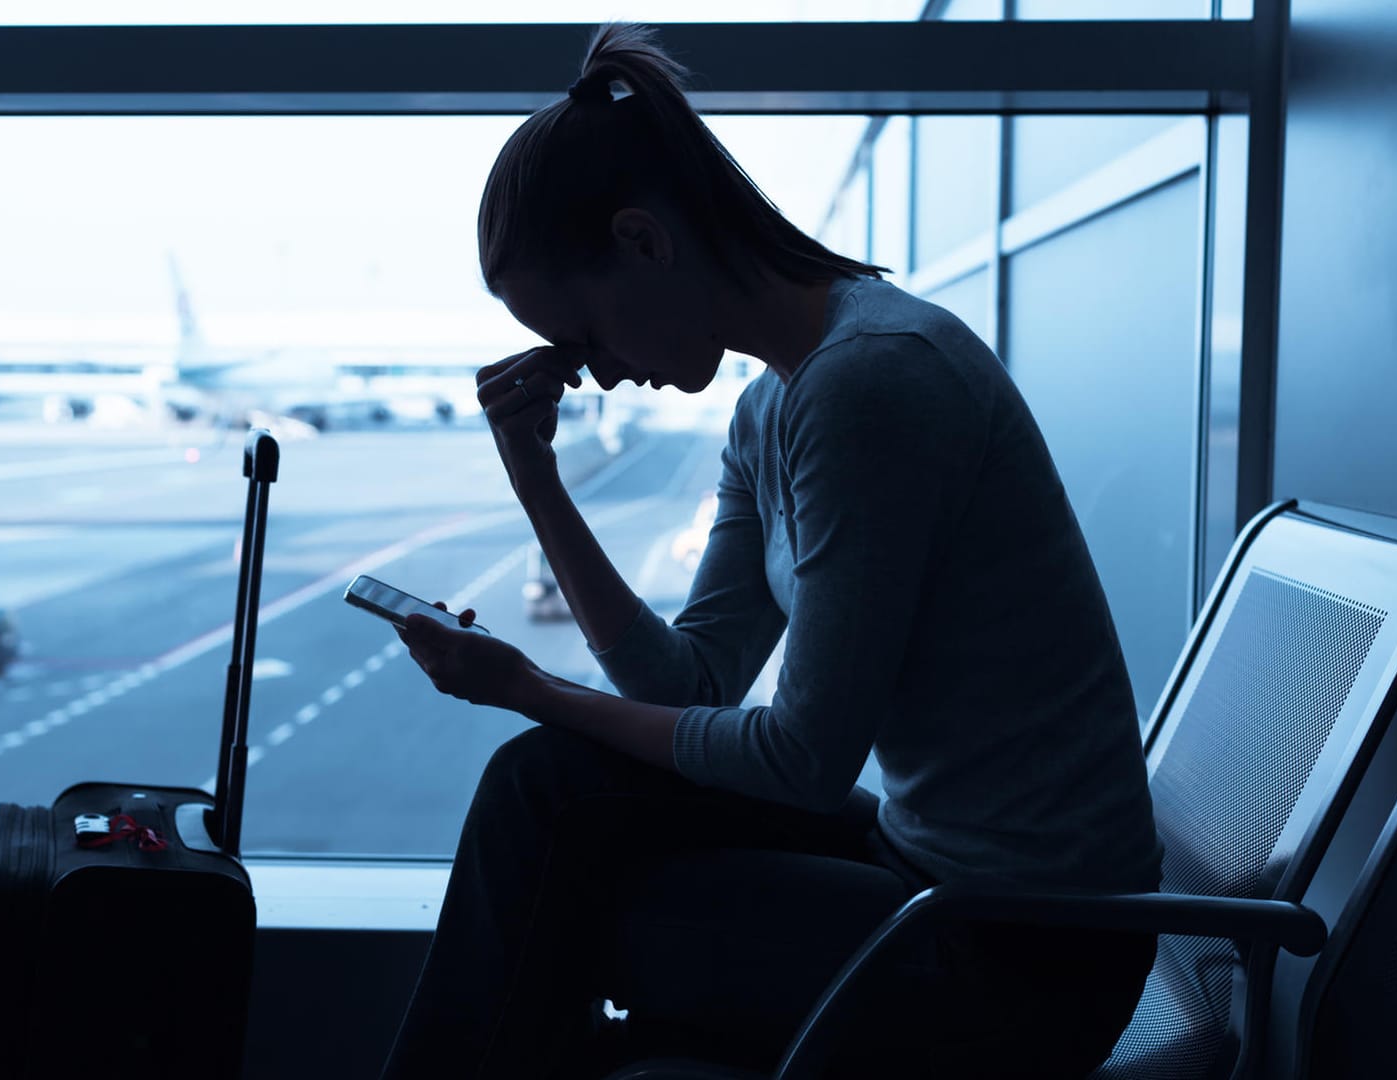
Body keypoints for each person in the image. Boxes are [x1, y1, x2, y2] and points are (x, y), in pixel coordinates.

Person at [379, 21, 1163, 1080]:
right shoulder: (777, 401)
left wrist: (529, 685)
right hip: (932, 873)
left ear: (644, 242)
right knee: (545, 793)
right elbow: (688, 679)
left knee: (561, 883)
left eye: (586, 336)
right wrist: (537, 483)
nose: (597, 375)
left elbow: (801, 762)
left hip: (1021, 959)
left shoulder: (870, 385)